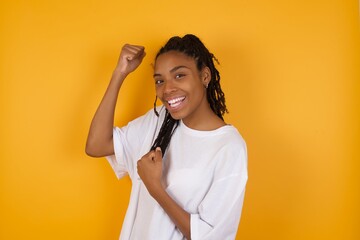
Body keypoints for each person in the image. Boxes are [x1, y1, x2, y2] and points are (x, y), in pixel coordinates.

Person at [86, 34, 248, 240]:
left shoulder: (229, 147)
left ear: (205, 76)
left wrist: (156, 188)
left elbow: (210, 236)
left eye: (179, 75)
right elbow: (96, 145)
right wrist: (119, 73)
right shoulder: (160, 119)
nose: (167, 89)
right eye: (160, 81)